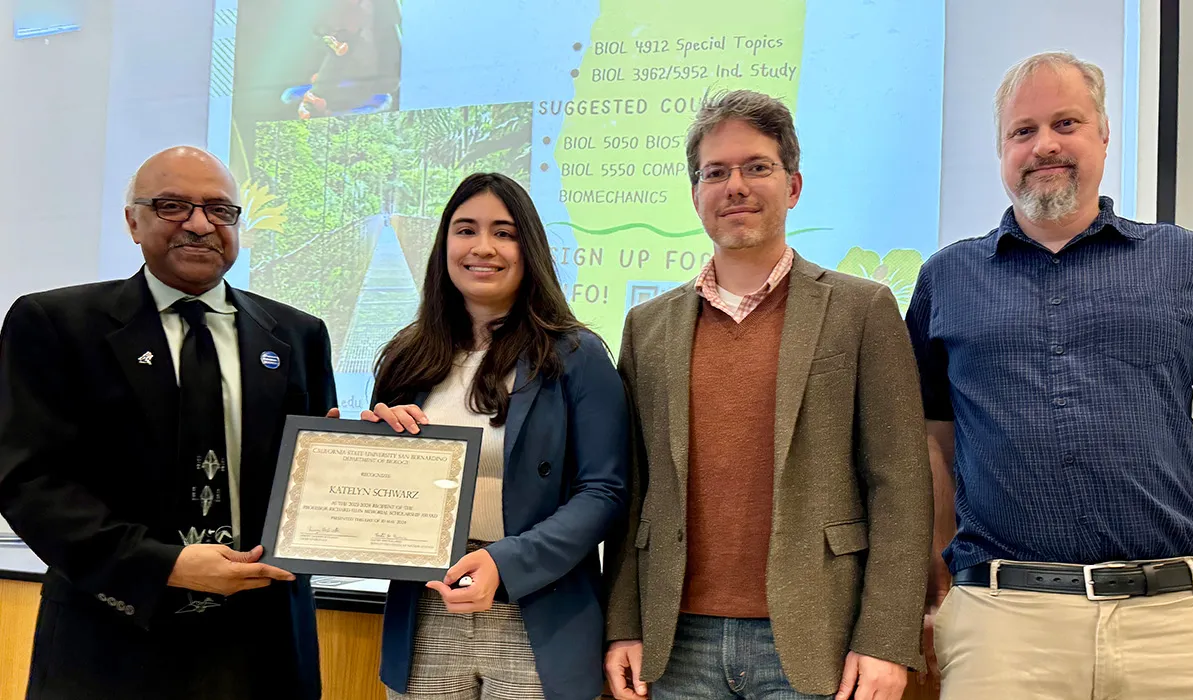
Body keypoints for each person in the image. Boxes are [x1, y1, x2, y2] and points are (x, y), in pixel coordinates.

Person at [907, 51, 1193, 699]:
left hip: (1178, 623)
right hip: (1005, 627)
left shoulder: (1187, 261)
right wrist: (938, 591)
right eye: (1023, 131)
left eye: (1066, 123)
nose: (1045, 145)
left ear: (1104, 134)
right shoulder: (946, 278)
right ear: (1001, 149)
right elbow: (931, 444)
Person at [602, 89, 932, 700]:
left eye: (757, 167)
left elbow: (901, 485)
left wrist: (886, 638)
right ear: (696, 193)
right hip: (677, 643)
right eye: (715, 173)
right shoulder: (647, 327)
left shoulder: (861, 310)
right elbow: (635, 490)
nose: (735, 186)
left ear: (794, 185)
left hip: (816, 637)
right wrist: (623, 624)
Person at [0, 146, 336, 699]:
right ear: (133, 221)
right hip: (109, 640)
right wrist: (165, 565)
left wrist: (380, 446)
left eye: (220, 210)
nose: (200, 224)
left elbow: (314, 478)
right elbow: (29, 482)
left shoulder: (298, 334)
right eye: (173, 206)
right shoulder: (56, 325)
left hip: (262, 648)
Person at [368, 172, 629, 700]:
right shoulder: (406, 356)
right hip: (425, 613)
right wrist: (355, 451)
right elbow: (382, 489)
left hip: (539, 614)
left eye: (504, 232)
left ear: (528, 247)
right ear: (444, 245)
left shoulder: (576, 356)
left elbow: (605, 492)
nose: (482, 247)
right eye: (465, 230)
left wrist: (504, 563)